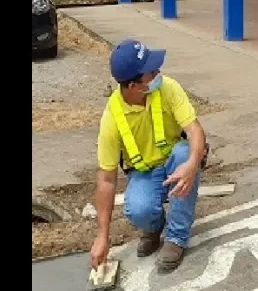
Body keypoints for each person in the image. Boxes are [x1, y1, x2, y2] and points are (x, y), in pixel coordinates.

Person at [89, 39, 207, 273]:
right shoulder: (111, 119)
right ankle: (154, 227)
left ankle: (176, 238)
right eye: (151, 72)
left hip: (176, 162)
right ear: (133, 86)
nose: (157, 74)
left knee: (185, 153)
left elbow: (195, 130)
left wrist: (193, 164)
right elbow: (106, 179)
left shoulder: (168, 87)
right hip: (145, 173)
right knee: (138, 210)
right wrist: (102, 237)